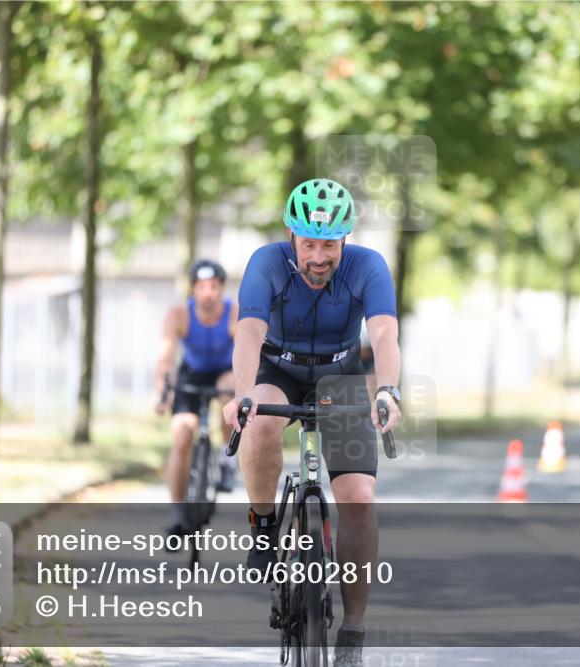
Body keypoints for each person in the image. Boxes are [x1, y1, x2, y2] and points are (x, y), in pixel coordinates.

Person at [223, 178, 401, 667]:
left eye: (329, 244)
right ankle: (262, 526)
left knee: (360, 499)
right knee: (259, 422)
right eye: (308, 244)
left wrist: (387, 389)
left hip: (339, 376)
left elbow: (384, 334)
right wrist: (241, 393)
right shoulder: (267, 262)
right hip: (276, 369)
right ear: (291, 235)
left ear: (346, 239)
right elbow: (250, 331)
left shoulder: (369, 266)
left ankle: (354, 630)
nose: (319, 256)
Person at [155, 259, 238, 539]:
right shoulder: (180, 314)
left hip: (225, 372)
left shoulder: (232, 313)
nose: (208, 293)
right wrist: (164, 391)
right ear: (193, 289)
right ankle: (178, 514)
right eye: (202, 287)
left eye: (214, 287)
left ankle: (228, 460)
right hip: (192, 373)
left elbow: (244, 353)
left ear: (222, 288)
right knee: (182, 434)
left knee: (228, 392)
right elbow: (166, 356)